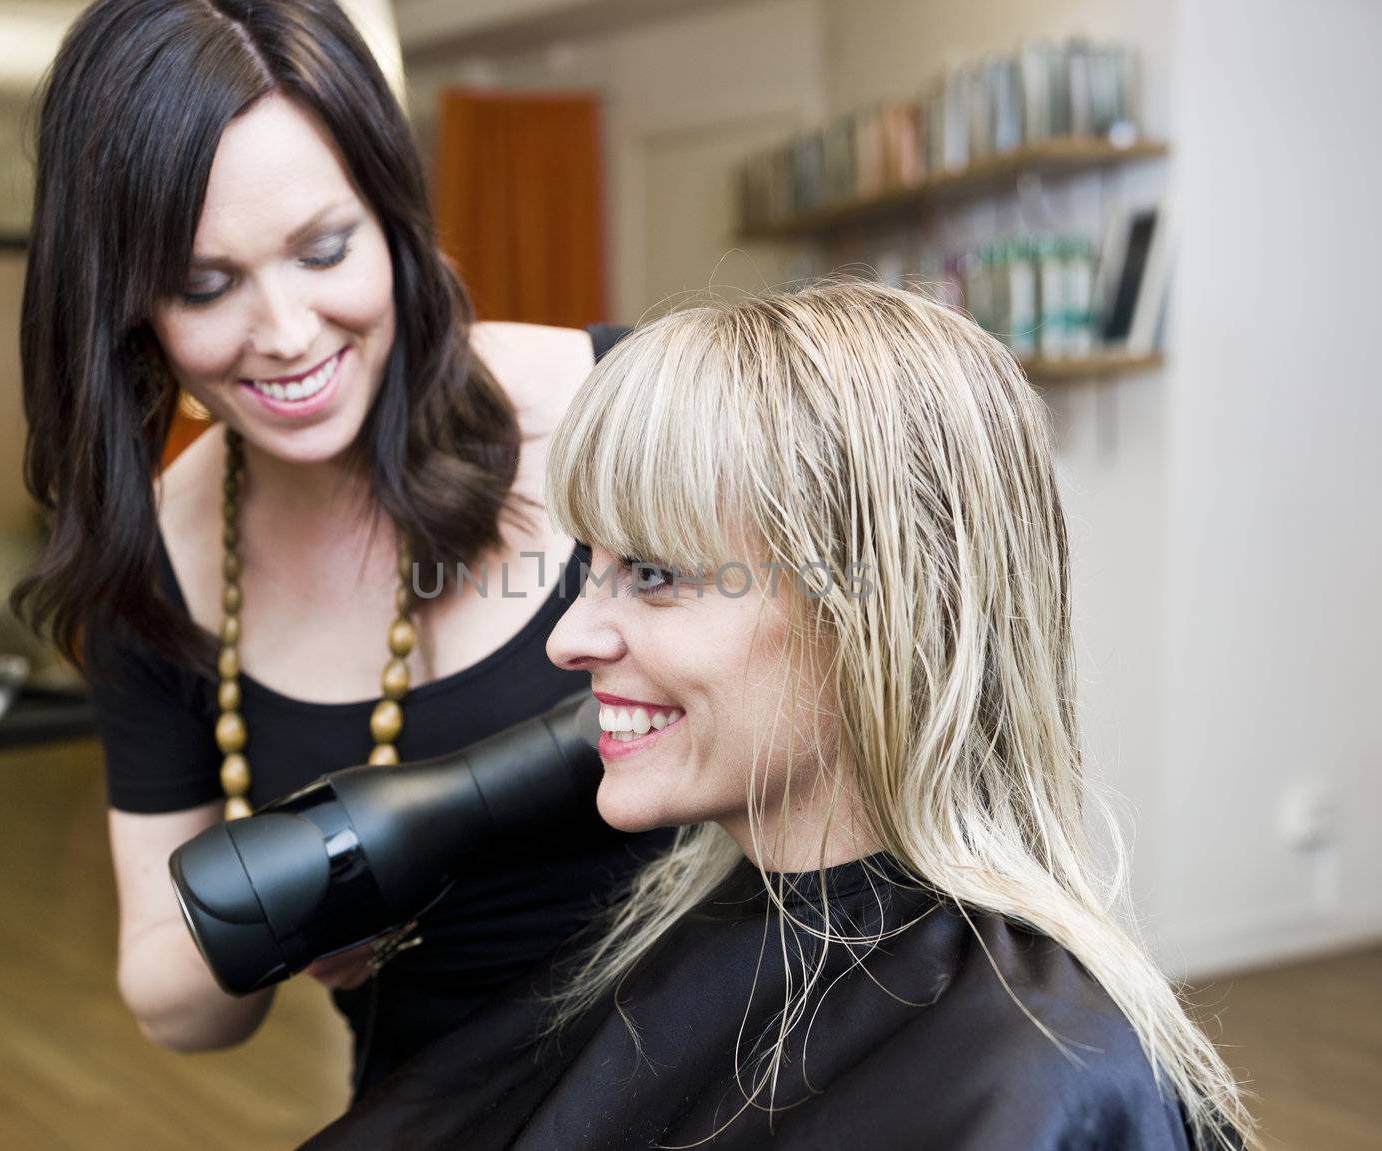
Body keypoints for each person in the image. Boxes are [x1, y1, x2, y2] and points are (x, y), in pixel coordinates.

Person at [299, 281, 1259, 1149]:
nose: (570, 639)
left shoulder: (1035, 1076)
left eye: (656, 574)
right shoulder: (671, 949)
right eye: (589, 569)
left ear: (885, 616)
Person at [12, 0, 665, 1097]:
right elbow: (170, 998)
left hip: (752, 1077)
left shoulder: (632, 411)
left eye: (324, 249)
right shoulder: (157, 561)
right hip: (440, 1110)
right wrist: (294, 901)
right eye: (203, 284)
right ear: (130, 307)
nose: (284, 332)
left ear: (393, 218)